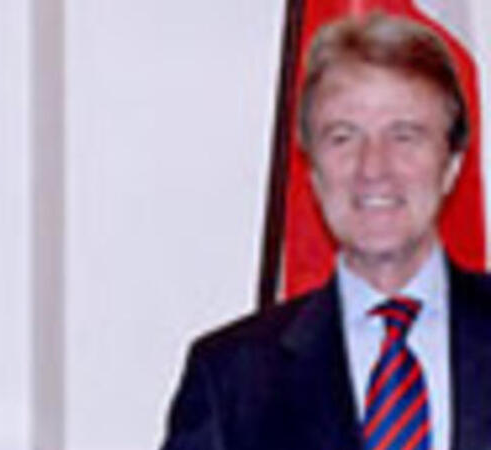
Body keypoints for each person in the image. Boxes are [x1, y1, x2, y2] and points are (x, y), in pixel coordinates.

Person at [161, 12, 491, 450]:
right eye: (343, 137)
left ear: (451, 165)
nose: (373, 168)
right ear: (313, 170)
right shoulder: (230, 380)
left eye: (405, 136)